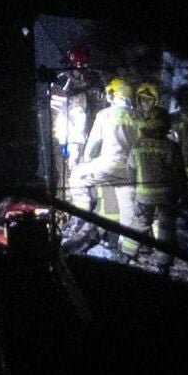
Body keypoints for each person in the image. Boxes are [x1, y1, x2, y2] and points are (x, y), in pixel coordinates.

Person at [69, 77, 139, 251]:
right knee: (127, 211)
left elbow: (92, 147)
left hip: (107, 165)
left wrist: (86, 161)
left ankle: (81, 218)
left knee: (77, 177)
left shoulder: (105, 115)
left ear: (112, 94)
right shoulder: (137, 117)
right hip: (130, 171)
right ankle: (126, 249)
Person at [128, 112, 188, 271]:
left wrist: (134, 189)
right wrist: (184, 194)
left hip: (143, 195)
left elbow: (130, 168)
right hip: (167, 195)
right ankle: (163, 264)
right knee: (166, 228)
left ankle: (127, 255)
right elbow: (179, 173)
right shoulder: (171, 146)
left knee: (139, 224)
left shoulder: (138, 145)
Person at [49, 47, 102, 201]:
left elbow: (99, 106)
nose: (82, 72)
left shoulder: (92, 82)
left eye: (84, 67)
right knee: (67, 175)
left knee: (85, 176)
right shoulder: (61, 82)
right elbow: (57, 115)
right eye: (79, 68)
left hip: (86, 138)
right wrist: (64, 141)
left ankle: (84, 209)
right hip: (66, 138)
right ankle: (65, 208)